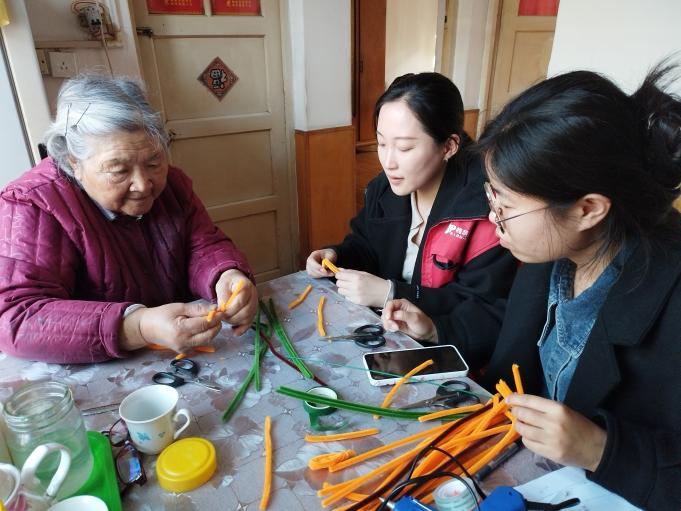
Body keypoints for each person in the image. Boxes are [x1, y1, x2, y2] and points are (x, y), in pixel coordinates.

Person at [381, 64, 681, 509]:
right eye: (491, 196)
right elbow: (511, 339)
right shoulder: (555, 251)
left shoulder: (668, 297)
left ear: (588, 209)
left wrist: (601, 448)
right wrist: (436, 329)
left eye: (506, 206)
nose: (493, 219)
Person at [0, 75, 258, 364]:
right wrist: (137, 327)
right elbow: (15, 318)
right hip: (98, 374)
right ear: (74, 161)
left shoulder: (173, 185)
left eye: (154, 162)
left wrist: (226, 275)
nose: (143, 185)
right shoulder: (33, 203)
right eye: (119, 170)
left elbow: (203, 245)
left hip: (182, 355)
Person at [307, 73, 517, 369]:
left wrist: (391, 292)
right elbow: (365, 244)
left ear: (449, 146)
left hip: (445, 357)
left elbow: (483, 309)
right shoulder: (385, 188)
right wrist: (335, 256)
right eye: (381, 144)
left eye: (405, 148)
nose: (388, 162)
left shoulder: (486, 213)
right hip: (388, 340)